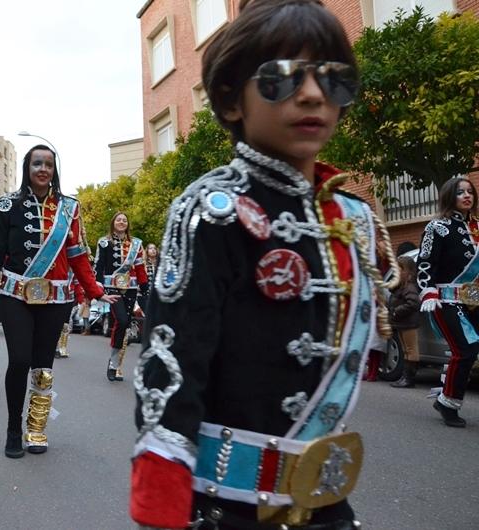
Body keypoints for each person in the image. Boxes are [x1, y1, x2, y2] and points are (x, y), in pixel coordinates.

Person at [130, 2, 398, 527]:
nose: (314, 94)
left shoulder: (351, 216)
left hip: (324, 504)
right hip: (223, 505)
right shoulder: (210, 210)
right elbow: (171, 365)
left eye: (333, 79)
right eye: (282, 77)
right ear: (231, 99)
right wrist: (161, 507)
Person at [0, 145, 119, 458]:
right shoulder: (8, 206)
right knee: (19, 360)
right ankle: (13, 428)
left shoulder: (69, 208)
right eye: (37, 163)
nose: (43, 169)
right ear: (27, 168)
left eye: (48, 164)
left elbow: (77, 255)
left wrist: (95, 290)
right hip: (15, 294)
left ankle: (37, 428)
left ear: (54, 169)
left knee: (43, 367)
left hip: (55, 297)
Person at [418, 177, 479, 427]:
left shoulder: (477, 227)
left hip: (475, 301)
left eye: (470, 192)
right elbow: (424, 263)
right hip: (446, 300)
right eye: (460, 192)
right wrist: (428, 292)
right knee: (465, 350)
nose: (467, 196)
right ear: (448, 197)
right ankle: (447, 402)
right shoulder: (437, 227)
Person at [95, 212, 149, 381]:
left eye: (124, 220)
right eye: (119, 219)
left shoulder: (136, 244)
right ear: (113, 223)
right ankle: (113, 363)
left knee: (123, 325)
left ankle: (114, 364)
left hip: (131, 288)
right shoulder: (104, 242)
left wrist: (144, 285)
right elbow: (99, 265)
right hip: (112, 288)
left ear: (127, 224)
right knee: (123, 320)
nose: (121, 222)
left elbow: (140, 266)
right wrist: (98, 286)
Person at [389, 256, 421, 388]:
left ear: (409, 271)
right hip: (402, 322)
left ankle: (409, 379)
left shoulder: (409, 287)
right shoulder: (401, 286)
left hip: (408, 322)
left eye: (400, 269)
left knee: (411, 349)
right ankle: (405, 377)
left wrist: (397, 311)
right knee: (405, 350)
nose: (397, 271)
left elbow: (413, 303)